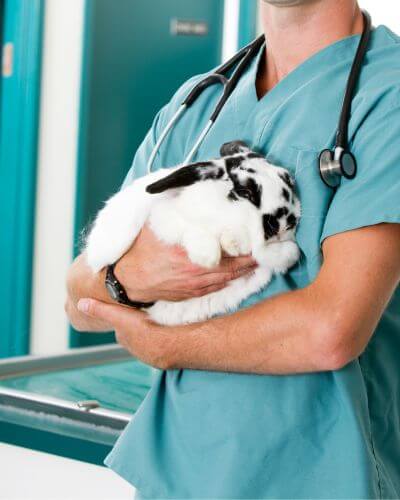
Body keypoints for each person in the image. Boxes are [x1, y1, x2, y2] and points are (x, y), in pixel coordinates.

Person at [65, 0, 400, 497]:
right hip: (177, 475)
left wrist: (163, 344)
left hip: (319, 478)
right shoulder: (197, 104)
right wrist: (129, 277)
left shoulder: (386, 95)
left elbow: (329, 330)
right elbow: (77, 300)